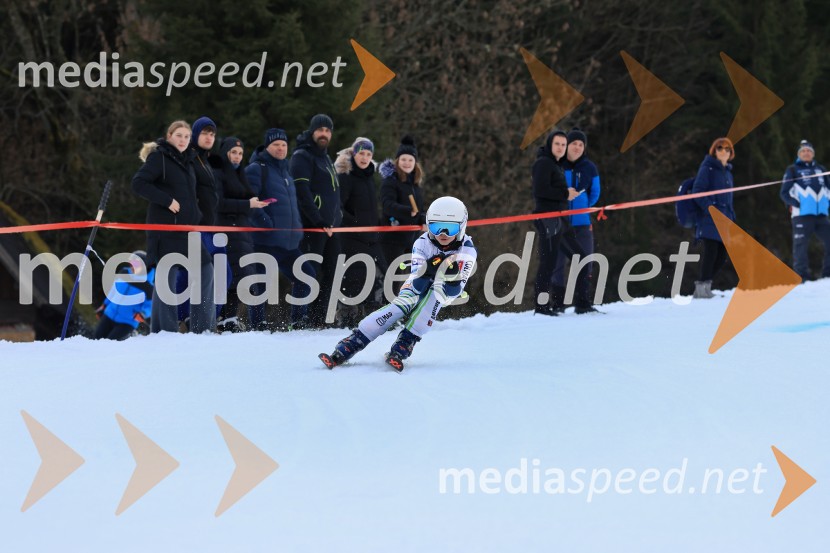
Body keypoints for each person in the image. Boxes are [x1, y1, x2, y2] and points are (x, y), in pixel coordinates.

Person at [319, 196, 476, 372]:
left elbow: (452, 293)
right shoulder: (422, 243)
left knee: (431, 302)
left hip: (441, 289)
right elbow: (417, 286)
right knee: (402, 305)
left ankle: (404, 344)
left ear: (462, 227)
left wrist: (453, 279)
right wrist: (427, 271)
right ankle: (353, 341)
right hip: (419, 283)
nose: (443, 234)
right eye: (436, 227)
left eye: (450, 228)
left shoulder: (467, 250)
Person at [132, 120, 215, 333]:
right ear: (169, 136)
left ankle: (203, 329)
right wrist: (167, 200)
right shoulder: (159, 157)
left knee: (205, 269)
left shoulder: (188, 162)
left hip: (187, 230)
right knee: (165, 281)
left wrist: (197, 214)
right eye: (179, 135)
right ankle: (163, 331)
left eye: (187, 137)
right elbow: (139, 183)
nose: (183, 140)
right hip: (165, 231)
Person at [247, 128, 316, 330]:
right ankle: (257, 326)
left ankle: (298, 321)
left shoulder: (286, 171)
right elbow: (250, 202)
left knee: (307, 276)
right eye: (276, 144)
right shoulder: (256, 168)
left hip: (288, 241)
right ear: (267, 147)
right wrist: (267, 224)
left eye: (284, 144)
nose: (280, 148)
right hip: (264, 240)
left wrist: (298, 229)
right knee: (261, 284)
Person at [211, 137, 268, 332]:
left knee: (239, 278)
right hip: (224, 231)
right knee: (225, 277)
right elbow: (218, 203)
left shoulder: (240, 174)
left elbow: (247, 203)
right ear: (225, 153)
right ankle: (221, 317)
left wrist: (255, 204)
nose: (237, 157)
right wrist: (247, 204)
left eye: (240, 153)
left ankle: (231, 318)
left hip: (241, 232)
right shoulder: (217, 173)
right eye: (233, 152)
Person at [291, 114, 341, 327]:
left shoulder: (326, 157)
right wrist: (318, 219)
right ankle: (299, 319)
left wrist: (335, 219)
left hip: (331, 227)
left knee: (332, 272)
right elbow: (302, 193)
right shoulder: (303, 156)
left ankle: (320, 319)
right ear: (312, 132)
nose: (324, 134)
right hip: (313, 226)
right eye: (320, 130)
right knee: (308, 272)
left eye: (328, 130)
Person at [335, 136, 387, 327]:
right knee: (353, 278)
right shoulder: (346, 176)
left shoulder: (369, 178)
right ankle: (346, 318)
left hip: (372, 238)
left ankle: (374, 318)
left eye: (368, 154)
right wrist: (355, 223)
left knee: (380, 275)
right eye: (361, 153)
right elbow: (339, 207)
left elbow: (371, 209)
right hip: (351, 237)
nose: (364, 158)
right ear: (354, 154)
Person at [552, 128, 601, 314]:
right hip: (559, 223)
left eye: (581, 145)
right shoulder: (557, 165)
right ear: (567, 146)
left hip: (582, 223)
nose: (577, 147)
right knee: (557, 263)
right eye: (574, 144)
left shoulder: (590, 168)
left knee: (585, 261)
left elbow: (595, 192)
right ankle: (557, 304)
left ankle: (583, 303)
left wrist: (583, 205)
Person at [531, 130, 580, 315]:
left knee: (576, 254)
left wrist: (565, 194)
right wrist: (565, 194)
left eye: (563, 144)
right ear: (550, 145)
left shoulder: (556, 164)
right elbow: (540, 190)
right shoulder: (543, 163)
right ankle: (542, 306)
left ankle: (571, 301)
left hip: (559, 218)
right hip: (547, 218)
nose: (560, 147)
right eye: (557, 144)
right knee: (547, 262)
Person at [379, 136, 427, 291]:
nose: (407, 163)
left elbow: (418, 212)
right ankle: (387, 310)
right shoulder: (390, 181)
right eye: (404, 159)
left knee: (410, 279)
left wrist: (424, 220)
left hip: (411, 239)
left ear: (415, 163)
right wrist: (408, 211)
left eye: (410, 160)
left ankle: (405, 309)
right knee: (393, 278)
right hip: (392, 239)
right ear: (397, 161)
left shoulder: (414, 185)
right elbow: (387, 206)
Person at [691, 137, 736, 298]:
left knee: (722, 256)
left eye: (727, 149)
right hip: (710, 219)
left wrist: (732, 217)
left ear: (731, 153)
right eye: (720, 148)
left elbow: (729, 199)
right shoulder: (707, 168)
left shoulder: (728, 173)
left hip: (726, 220)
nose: (723, 151)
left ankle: (705, 286)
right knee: (711, 252)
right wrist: (710, 208)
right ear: (714, 151)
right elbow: (697, 191)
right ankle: (702, 290)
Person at [780, 139, 830, 282]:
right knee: (800, 247)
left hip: (821, 216)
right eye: (803, 151)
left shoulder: (821, 169)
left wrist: (827, 203)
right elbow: (784, 193)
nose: (806, 153)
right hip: (801, 215)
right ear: (799, 154)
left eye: (809, 151)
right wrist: (796, 203)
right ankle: (802, 277)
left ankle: (828, 275)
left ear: (813, 154)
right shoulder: (793, 170)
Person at [94, 251, 154, 340]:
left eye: (135, 264)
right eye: (131, 263)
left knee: (109, 344)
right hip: (110, 313)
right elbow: (113, 291)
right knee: (96, 338)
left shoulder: (148, 287)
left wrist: (143, 314)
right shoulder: (124, 272)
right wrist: (104, 305)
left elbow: (150, 306)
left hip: (127, 322)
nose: (132, 266)